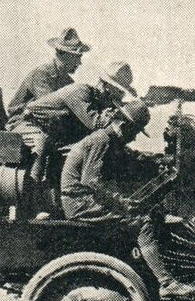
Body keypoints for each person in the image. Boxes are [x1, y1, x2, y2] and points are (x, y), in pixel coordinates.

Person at [60, 101, 195, 299]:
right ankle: (167, 283)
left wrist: (155, 160)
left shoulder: (108, 140)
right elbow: (91, 182)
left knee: (148, 213)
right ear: (123, 126)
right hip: (80, 203)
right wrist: (121, 203)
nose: (133, 138)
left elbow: (132, 157)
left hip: (84, 200)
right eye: (134, 133)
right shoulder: (101, 141)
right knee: (141, 223)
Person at [16, 61, 138, 208]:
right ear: (106, 86)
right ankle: (31, 205)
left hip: (52, 133)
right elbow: (95, 124)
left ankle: (57, 203)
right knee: (40, 147)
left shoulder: (97, 100)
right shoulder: (81, 92)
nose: (120, 96)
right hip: (28, 124)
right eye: (119, 91)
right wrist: (117, 115)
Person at [5, 27, 90, 125]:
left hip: (46, 124)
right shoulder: (41, 74)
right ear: (62, 55)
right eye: (76, 57)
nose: (79, 63)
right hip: (22, 122)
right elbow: (46, 109)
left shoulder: (68, 81)